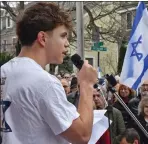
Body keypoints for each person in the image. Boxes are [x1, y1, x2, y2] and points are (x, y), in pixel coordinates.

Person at [1, 2, 97, 144]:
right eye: (63, 36)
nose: (67, 43)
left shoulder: (4, 71)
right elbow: (82, 135)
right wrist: (87, 84)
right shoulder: (45, 82)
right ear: (43, 38)